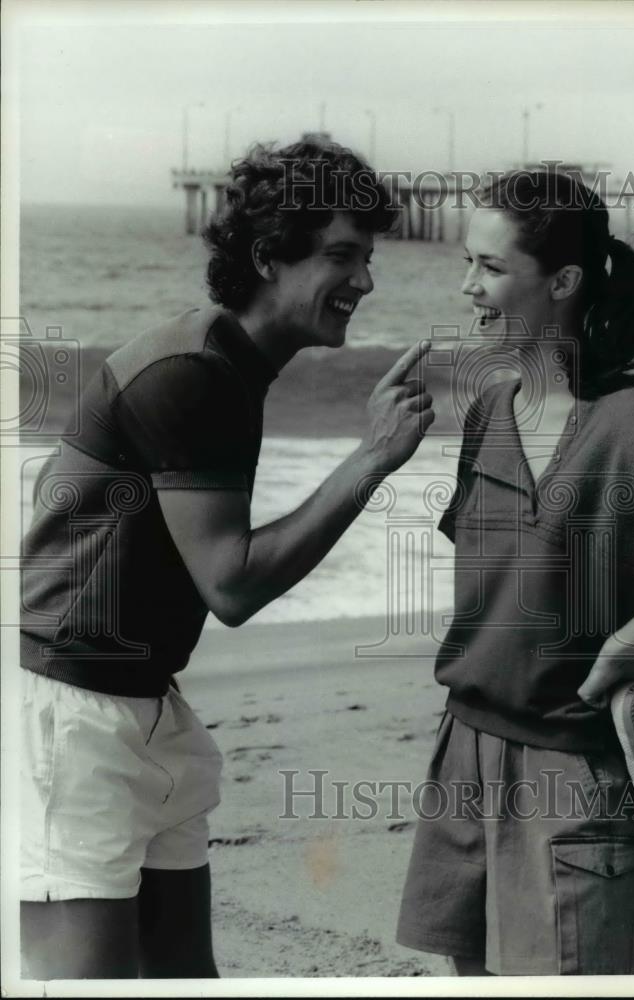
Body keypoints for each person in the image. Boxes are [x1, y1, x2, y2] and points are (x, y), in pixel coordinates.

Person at [19, 139, 434, 979]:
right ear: (266, 257)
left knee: (185, 980)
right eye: (341, 256)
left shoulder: (227, 362)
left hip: (139, 704)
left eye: (367, 257)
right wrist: (371, 458)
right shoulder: (194, 371)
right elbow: (232, 585)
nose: (364, 281)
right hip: (69, 716)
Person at [395, 168, 634, 976]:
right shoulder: (490, 408)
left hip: (571, 764)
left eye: (487, 267)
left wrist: (626, 644)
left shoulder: (627, 424)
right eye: (465, 263)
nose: (465, 286)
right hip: (464, 748)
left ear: (562, 282)